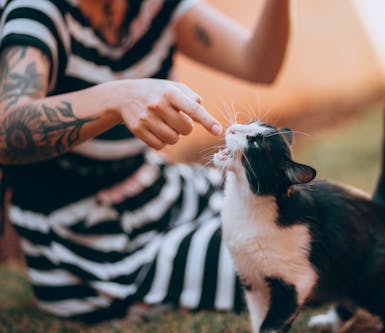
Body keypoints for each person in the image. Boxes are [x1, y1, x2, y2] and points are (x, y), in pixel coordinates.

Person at [0, 0, 290, 323]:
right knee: (271, 259)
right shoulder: (39, 11)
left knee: (290, 214)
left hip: (157, 189)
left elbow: (258, 63)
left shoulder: (154, 8)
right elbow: (6, 130)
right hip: (85, 237)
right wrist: (118, 98)